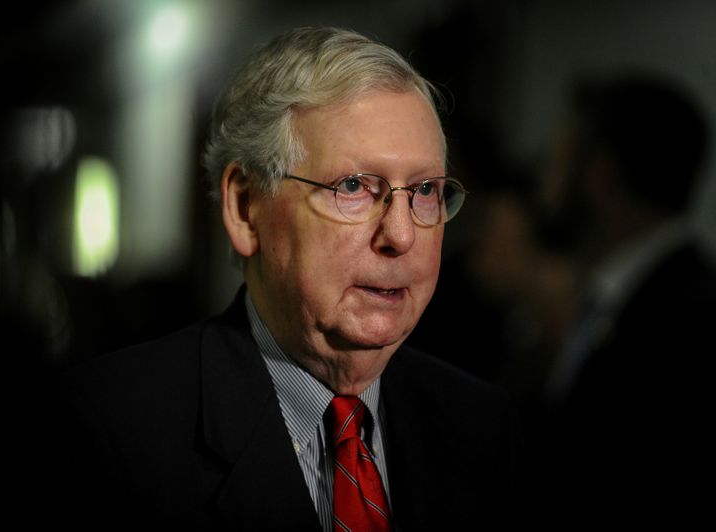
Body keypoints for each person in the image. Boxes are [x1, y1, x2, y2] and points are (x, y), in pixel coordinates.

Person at [49, 27, 520, 531]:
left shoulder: (498, 433)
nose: (401, 235)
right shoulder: (103, 434)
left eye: (425, 189)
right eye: (355, 186)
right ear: (246, 208)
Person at [534, 74, 715, 529]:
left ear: (600, 174)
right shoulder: (617, 298)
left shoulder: (689, 325)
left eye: (559, 158)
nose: (545, 178)